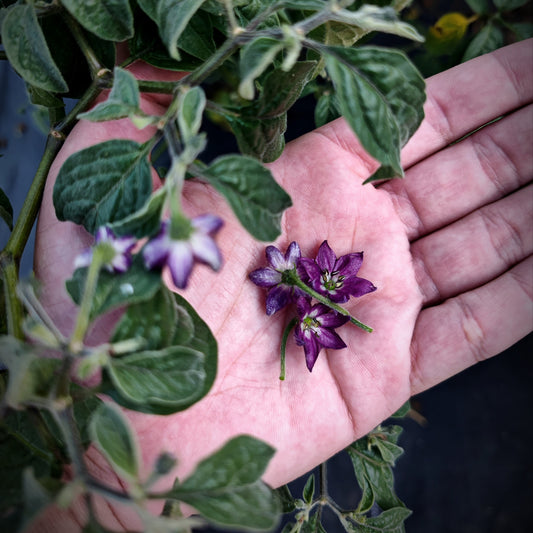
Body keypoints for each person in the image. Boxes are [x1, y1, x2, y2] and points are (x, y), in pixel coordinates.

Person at [32, 40, 532, 531]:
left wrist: (95, 481)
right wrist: (100, 476)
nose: (316, 305)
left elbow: (307, 285)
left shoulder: (306, 297)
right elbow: (294, 280)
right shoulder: (297, 292)